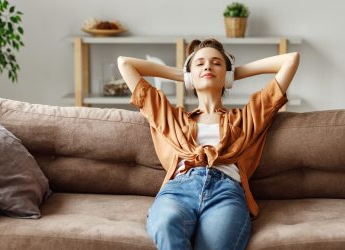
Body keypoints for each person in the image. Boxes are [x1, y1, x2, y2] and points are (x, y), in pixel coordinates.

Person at [118, 38, 299, 250]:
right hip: (179, 190)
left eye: (217, 63)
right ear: (189, 75)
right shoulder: (172, 118)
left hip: (226, 192)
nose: (207, 66)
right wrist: (183, 75)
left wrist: (233, 73)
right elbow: (125, 64)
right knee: (167, 224)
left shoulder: (246, 118)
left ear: (228, 75)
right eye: (200, 63)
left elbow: (290, 60)